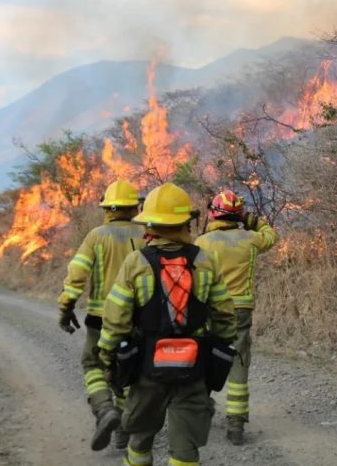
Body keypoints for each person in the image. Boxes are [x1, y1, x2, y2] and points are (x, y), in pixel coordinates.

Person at [98, 182, 237, 466]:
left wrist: (108, 359)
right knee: (185, 448)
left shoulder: (135, 263)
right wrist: (216, 356)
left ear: (149, 223)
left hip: (147, 370)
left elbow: (116, 319)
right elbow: (225, 316)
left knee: (139, 438)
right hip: (194, 367)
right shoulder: (205, 261)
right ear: (187, 221)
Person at [57, 179, 145, 451]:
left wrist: (67, 305)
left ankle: (105, 409)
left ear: (108, 208)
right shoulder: (146, 234)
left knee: (92, 365)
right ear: (134, 207)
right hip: (137, 318)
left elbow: (78, 271)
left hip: (99, 318)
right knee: (128, 370)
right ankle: (122, 431)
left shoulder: (96, 236)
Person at [194, 190, 278, 445]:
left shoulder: (202, 243)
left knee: (206, 357)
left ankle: (202, 411)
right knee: (239, 360)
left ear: (214, 214)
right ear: (239, 216)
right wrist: (253, 220)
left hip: (211, 309)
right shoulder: (251, 239)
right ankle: (236, 423)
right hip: (240, 310)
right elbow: (271, 236)